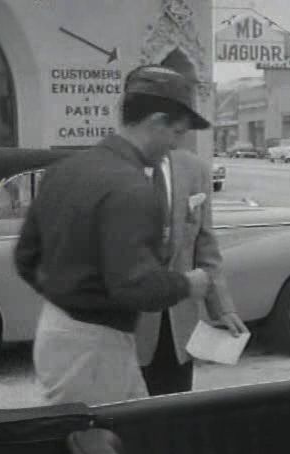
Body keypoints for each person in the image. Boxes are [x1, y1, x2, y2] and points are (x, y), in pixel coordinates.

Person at [14, 65, 219, 406]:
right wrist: (189, 285)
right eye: (177, 134)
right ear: (155, 122)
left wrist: (68, 293)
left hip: (55, 329)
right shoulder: (132, 187)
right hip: (96, 344)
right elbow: (133, 286)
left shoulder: (65, 169)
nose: (175, 146)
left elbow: (25, 259)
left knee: (124, 429)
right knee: (99, 445)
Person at [125, 66, 249, 397]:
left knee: (174, 416)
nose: (181, 139)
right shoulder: (108, 171)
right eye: (178, 130)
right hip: (126, 331)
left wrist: (222, 308)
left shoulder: (193, 170)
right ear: (155, 121)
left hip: (180, 328)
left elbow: (206, 248)